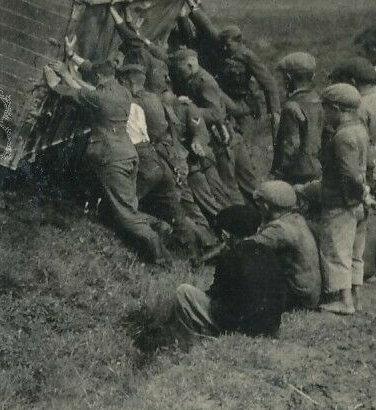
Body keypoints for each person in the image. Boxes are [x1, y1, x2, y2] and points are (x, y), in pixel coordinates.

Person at [45, 56, 165, 264]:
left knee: (126, 215)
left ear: (99, 76)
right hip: (128, 153)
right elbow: (89, 91)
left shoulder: (101, 98)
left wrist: (57, 76)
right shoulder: (123, 92)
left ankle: (161, 256)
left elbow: (63, 89)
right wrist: (70, 76)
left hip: (111, 157)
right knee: (126, 205)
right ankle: (158, 225)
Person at [132, 203, 288, 351]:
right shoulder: (269, 253)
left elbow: (216, 296)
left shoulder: (230, 257)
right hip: (269, 324)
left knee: (184, 291)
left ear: (226, 234)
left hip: (241, 326)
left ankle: (187, 339)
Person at [117, 62, 212, 257]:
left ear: (129, 83)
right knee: (180, 207)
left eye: (121, 82)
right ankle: (202, 245)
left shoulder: (136, 102)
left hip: (162, 158)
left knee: (179, 206)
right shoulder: (155, 98)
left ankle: (206, 243)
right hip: (173, 156)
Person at [189, 13, 280, 194]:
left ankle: (252, 188)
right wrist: (193, 10)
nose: (225, 48)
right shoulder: (223, 49)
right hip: (225, 105)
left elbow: (269, 83)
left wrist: (274, 111)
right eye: (223, 44)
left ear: (238, 42)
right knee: (226, 144)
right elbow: (208, 28)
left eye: (228, 44)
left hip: (244, 108)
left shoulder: (247, 56)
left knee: (244, 148)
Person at [306, 83, 373, 316]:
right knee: (355, 252)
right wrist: (365, 195)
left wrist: (359, 195)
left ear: (336, 108)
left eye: (326, 108)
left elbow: (349, 175)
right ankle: (356, 296)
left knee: (336, 250)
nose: (324, 113)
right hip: (358, 202)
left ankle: (343, 301)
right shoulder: (360, 129)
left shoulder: (343, 136)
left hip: (341, 202)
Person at [334, 56, 376, 278]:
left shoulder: (360, 105)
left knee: (368, 214)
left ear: (353, 81)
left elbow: (358, 139)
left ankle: (368, 263)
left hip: (372, 162)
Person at [168, 47, 245, 208]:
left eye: (180, 70)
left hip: (217, 138)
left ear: (190, 66)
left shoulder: (205, 82)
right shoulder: (193, 78)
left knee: (227, 183)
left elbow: (215, 113)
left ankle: (240, 215)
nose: (178, 74)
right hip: (206, 136)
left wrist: (189, 109)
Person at [250, 180, 322, 310]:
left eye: (259, 206)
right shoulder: (296, 219)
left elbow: (248, 247)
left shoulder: (279, 229)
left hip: (298, 295)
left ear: (266, 206)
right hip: (309, 292)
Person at [271, 51, 324, 184]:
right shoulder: (319, 101)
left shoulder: (291, 107)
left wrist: (279, 174)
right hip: (318, 168)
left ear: (288, 78)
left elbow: (291, 146)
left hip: (298, 173)